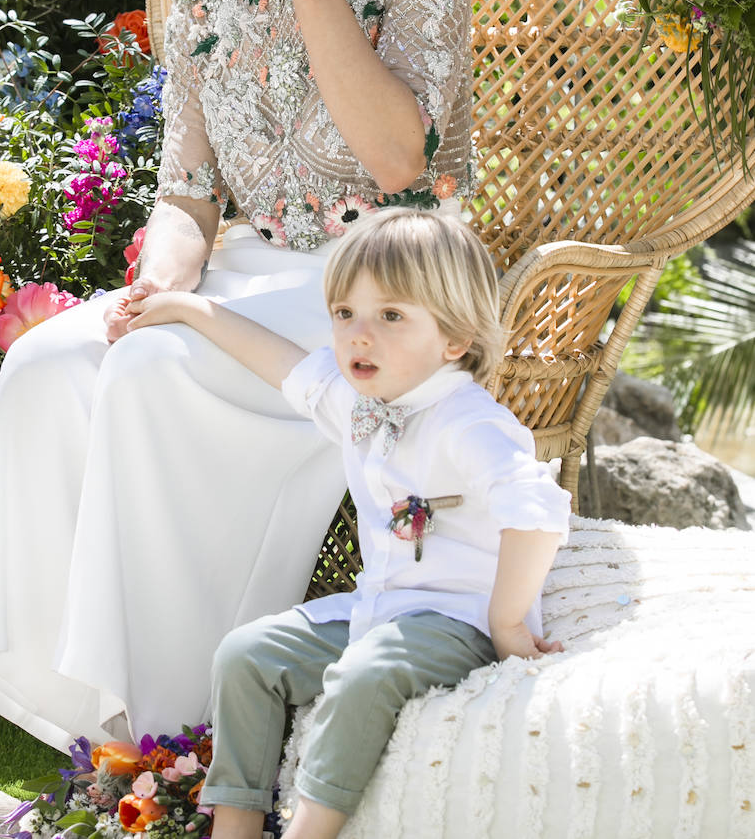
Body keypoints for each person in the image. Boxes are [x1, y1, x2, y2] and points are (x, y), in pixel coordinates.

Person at [0, 0, 475, 751]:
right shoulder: (198, 3)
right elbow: (187, 189)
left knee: (154, 376)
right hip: (248, 270)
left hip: (387, 272)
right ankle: (89, 724)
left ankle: (179, 735)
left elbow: (397, 160)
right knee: (51, 364)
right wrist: (160, 281)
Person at [132, 208, 572, 839]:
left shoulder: (467, 422)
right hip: (382, 607)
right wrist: (187, 309)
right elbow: (283, 364)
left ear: (454, 339)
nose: (359, 335)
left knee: (365, 676)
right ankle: (234, 828)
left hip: (458, 618)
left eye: (390, 316)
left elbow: (536, 509)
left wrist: (507, 622)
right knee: (245, 656)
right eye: (344, 314)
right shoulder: (362, 401)